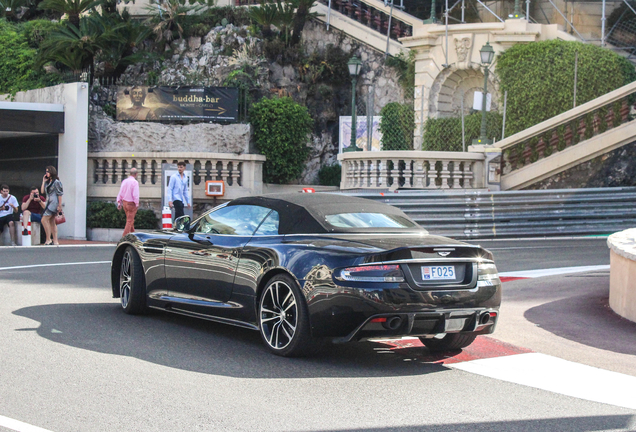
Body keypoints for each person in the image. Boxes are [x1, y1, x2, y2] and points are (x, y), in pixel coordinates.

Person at [41, 166, 63, 246]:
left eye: (48, 171)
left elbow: (60, 194)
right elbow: (42, 191)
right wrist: (43, 181)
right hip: (48, 202)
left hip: (53, 202)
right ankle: (55, 240)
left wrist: (59, 205)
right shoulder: (48, 182)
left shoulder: (56, 182)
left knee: (44, 219)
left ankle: (48, 239)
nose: (46, 173)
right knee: (52, 222)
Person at [117, 167, 140, 237]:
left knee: (130, 220)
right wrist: (137, 203)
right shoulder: (135, 182)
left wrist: (119, 202)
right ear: (136, 174)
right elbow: (135, 194)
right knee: (129, 221)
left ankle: (133, 235)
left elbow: (120, 192)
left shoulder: (124, 181)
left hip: (125, 202)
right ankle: (124, 236)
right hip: (131, 203)